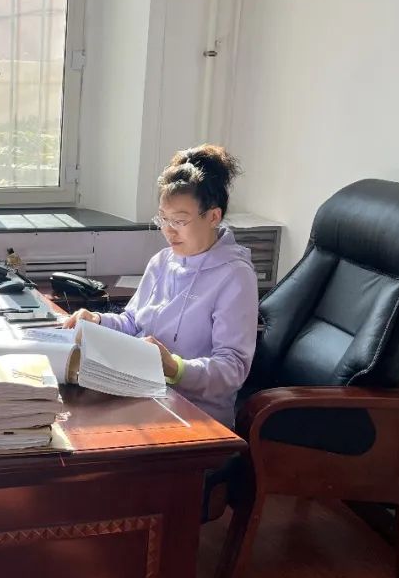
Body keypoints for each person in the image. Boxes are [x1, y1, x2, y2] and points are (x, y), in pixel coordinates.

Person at [63, 145, 258, 428]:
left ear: (213, 217)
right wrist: (97, 321)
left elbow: (233, 369)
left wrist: (175, 367)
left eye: (179, 220)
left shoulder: (235, 276)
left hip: (198, 416)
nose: (168, 230)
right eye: (163, 219)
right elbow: (133, 322)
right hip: (143, 395)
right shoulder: (162, 261)